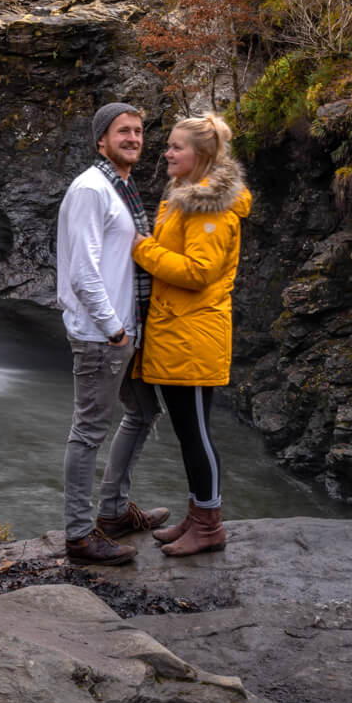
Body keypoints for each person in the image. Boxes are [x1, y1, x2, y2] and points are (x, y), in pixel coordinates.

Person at [131, 112, 252, 557]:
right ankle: (197, 514)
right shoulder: (187, 199)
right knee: (188, 431)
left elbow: (199, 273)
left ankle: (209, 525)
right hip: (178, 333)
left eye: (176, 146)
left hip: (194, 335)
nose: (166, 152)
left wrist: (142, 248)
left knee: (197, 432)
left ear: (199, 156)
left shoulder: (210, 211)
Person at [56, 102, 170, 566]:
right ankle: (80, 535)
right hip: (103, 334)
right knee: (88, 431)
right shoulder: (91, 189)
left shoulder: (121, 187)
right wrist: (114, 330)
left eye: (139, 131)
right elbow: (83, 272)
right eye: (124, 131)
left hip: (126, 330)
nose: (134, 138)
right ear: (101, 139)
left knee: (143, 411)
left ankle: (115, 511)